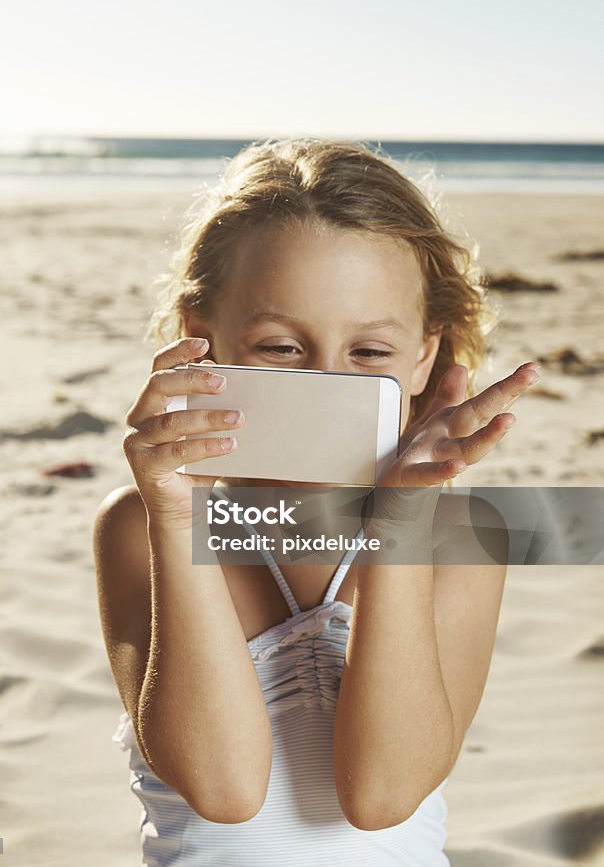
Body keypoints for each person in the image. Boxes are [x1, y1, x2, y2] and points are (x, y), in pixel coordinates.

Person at [93, 138, 540, 866]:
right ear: (200, 336)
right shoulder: (140, 526)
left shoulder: (462, 535)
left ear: (423, 357)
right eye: (282, 349)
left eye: (367, 354)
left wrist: (397, 527)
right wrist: (177, 516)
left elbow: (382, 795)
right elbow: (224, 788)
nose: (328, 383)